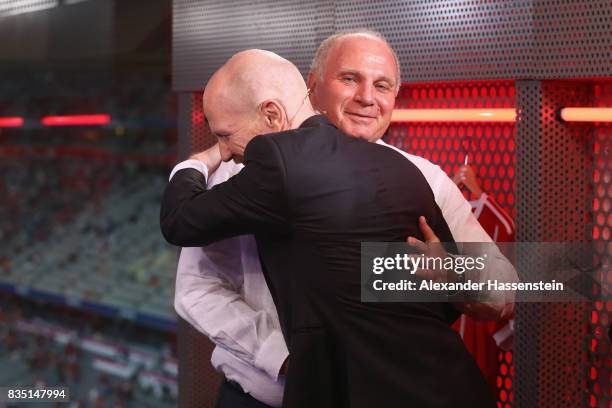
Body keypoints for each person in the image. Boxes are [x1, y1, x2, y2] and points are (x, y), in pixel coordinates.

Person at [174, 29, 517, 407]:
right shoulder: (243, 172)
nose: (367, 98)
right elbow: (197, 287)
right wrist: (286, 359)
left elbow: (506, 290)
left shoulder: (426, 179)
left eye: (382, 85)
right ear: (313, 86)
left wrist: (454, 274)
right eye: (349, 79)